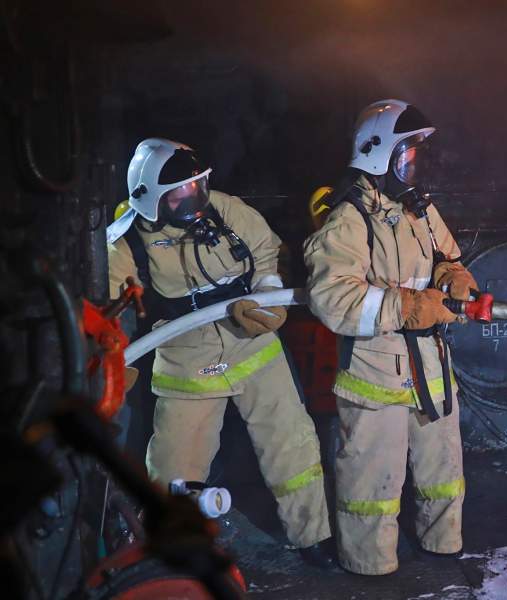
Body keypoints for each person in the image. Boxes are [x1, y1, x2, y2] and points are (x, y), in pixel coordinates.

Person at [106, 138, 337, 569]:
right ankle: (172, 550)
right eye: (180, 192)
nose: (193, 197)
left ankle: (313, 537)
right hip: (184, 355)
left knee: (292, 445)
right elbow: (111, 307)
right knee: (175, 462)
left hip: (252, 342)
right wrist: (116, 358)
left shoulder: (227, 210)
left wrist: (268, 295)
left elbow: (269, 254)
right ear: (151, 197)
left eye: (197, 186)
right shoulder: (127, 240)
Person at [303, 100, 478, 575]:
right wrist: (404, 306)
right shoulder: (350, 216)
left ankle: (442, 542)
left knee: (442, 467)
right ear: (378, 154)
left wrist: (454, 277)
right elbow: (331, 297)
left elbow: (447, 256)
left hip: (431, 364)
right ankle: (369, 564)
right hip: (375, 371)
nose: (416, 166)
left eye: (418, 155)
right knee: (371, 479)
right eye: (409, 154)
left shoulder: (418, 208)